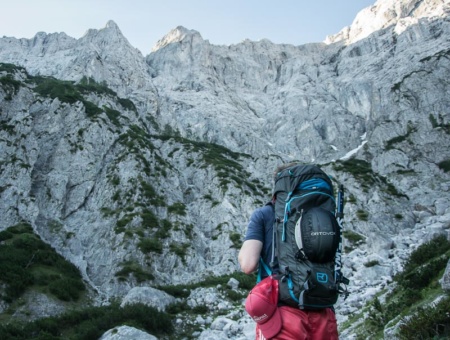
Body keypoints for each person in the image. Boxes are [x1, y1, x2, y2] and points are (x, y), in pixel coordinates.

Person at [238, 163, 339, 340]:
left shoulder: (264, 214)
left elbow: (248, 265)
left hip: (283, 313)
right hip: (324, 310)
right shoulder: (323, 216)